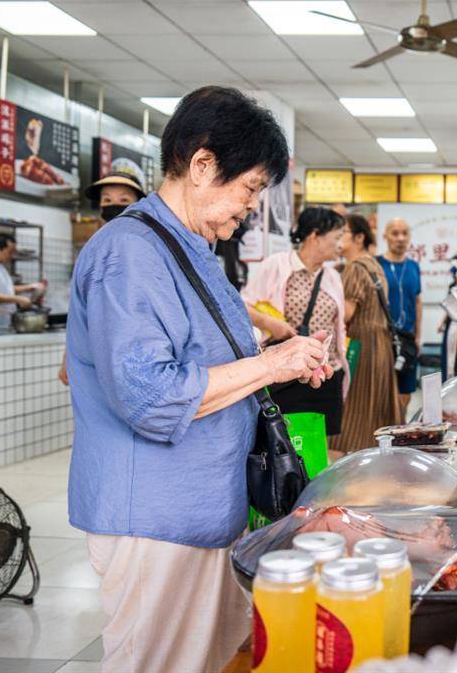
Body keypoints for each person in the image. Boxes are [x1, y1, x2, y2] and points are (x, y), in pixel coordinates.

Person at [65, 86, 332, 673]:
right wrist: (271, 365)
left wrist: (287, 358)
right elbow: (152, 397)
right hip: (156, 517)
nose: (250, 207)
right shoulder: (130, 252)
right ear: (203, 164)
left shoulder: (190, 247)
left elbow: (212, 357)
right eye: (250, 188)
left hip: (204, 508)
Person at [242, 206, 348, 473]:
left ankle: (318, 493)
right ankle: (286, 492)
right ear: (315, 235)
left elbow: (338, 325)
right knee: (285, 441)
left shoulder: (332, 276)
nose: (340, 244)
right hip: (287, 376)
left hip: (325, 374)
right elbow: (243, 304)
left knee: (320, 446)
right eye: (336, 237)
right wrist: (272, 325)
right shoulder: (277, 265)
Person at [60, 172, 148, 385]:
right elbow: (83, 309)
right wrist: (68, 357)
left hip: (140, 358)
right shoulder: (95, 248)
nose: (113, 205)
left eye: (123, 199)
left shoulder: (148, 244)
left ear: (140, 203)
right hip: (99, 359)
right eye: (107, 200)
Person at [332, 213, 399, 451]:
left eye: (343, 233)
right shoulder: (374, 266)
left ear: (359, 238)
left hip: (361, 344)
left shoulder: (354, 268)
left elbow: (347, 312)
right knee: (374, 405)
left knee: (355, 404)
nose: (338, 238)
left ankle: (349, 455)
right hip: (380, 344)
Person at [378, 218, 422, 412]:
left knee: (405, 393)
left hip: (407, 339)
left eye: (405, 233)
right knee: (383, 391)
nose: (400, 238)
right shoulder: (377, 264)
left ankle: (401, 425)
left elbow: (417, 301)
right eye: (395, 233)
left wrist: (418, 336)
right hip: (382, 338)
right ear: (385, 236)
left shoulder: (413, 266)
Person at [0, 233, 44, 331]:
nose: (12, 256)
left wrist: (29, 287)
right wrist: (18, 299)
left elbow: (6, 289)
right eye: (10, 252)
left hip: (2, 323)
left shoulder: (0, 267)